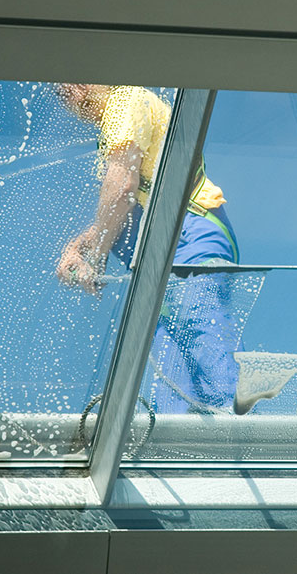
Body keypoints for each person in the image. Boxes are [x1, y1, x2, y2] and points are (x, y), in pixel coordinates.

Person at [55, 83, 241, 412]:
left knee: (206, 355)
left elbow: (121, 186)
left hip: (188, 241)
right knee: (170, 388)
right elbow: (120, 204)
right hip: (166, 259)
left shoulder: (125, 101)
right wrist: (79, 245)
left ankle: (240, 444)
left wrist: (95, 258)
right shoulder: (120, 119)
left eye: (65, 83)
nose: (63, 92)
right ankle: (185, 454)